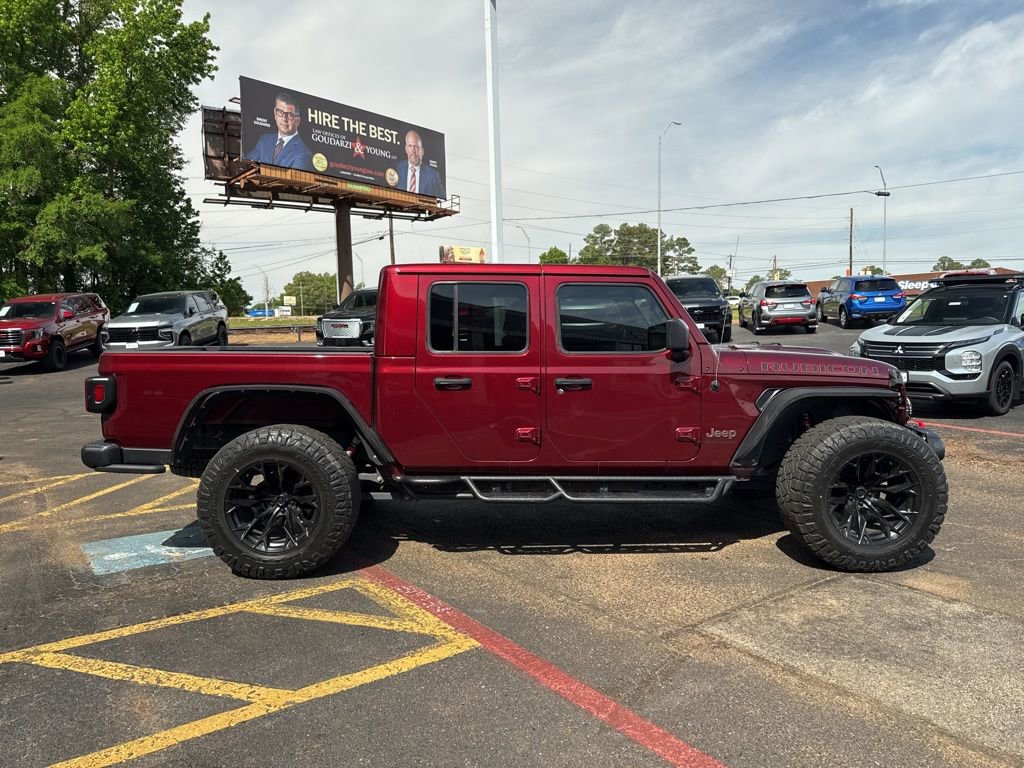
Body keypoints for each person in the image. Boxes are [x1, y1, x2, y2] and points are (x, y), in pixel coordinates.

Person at [244, 92, 313, 171]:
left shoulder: (304, 154)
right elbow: (246, 163)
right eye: (280, 112)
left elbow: (292, 182)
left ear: (297, 121)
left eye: (290, 115)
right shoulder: (264, 140)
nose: (284, 119)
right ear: (274, 114)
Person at [395, 130, 445, 198]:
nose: (413, 150)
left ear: (422, 151)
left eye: (416, 147)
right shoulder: (397, 168)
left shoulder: (433, 176)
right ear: (406, 149)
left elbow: (441, 196)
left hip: (421, 207)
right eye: (410, 146)